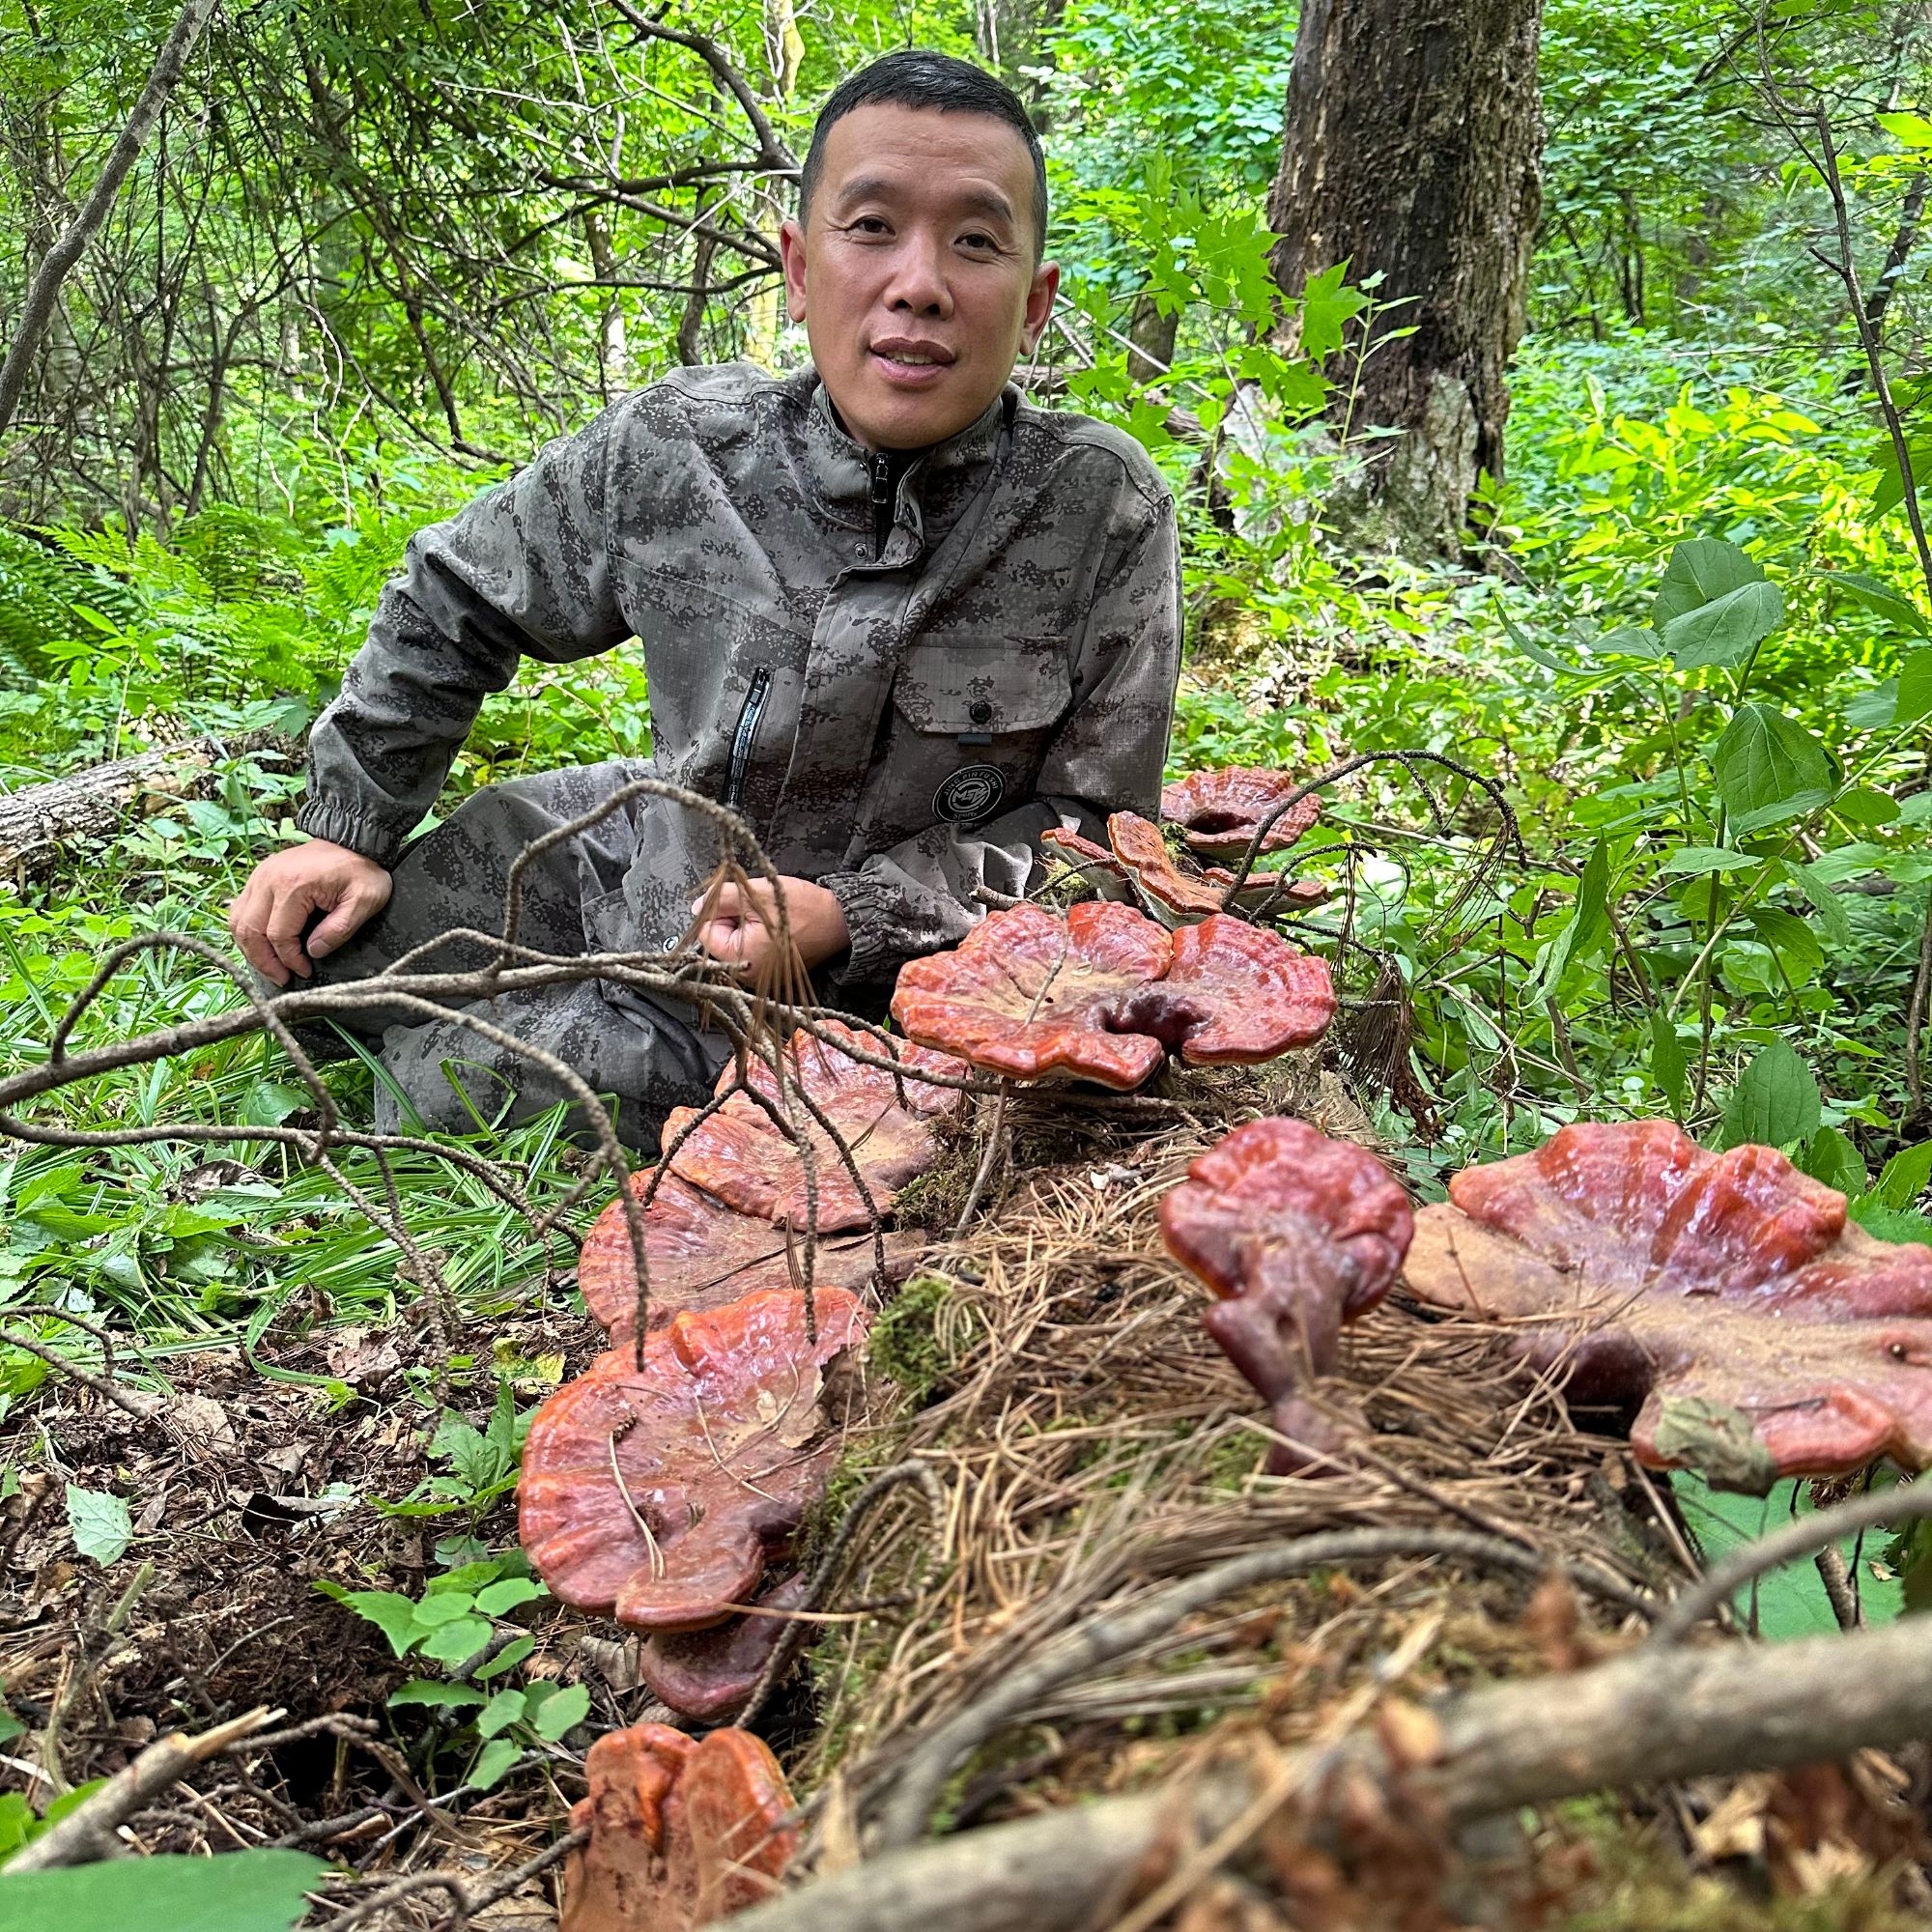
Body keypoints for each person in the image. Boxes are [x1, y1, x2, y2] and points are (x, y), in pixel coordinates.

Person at [227, 49, 1181, 1147]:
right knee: (318, 957)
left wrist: (852, 919)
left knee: (482, 1086)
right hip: (648, 859)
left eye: (974, 240)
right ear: (796, 265)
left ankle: (687, 1072)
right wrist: (349, 825)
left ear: (1033, 304)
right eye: (869, 226)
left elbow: (1102, 837)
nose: (918, 281)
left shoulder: (1097, 503)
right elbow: (455, 591)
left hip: (884, 993)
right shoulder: (681, 450)